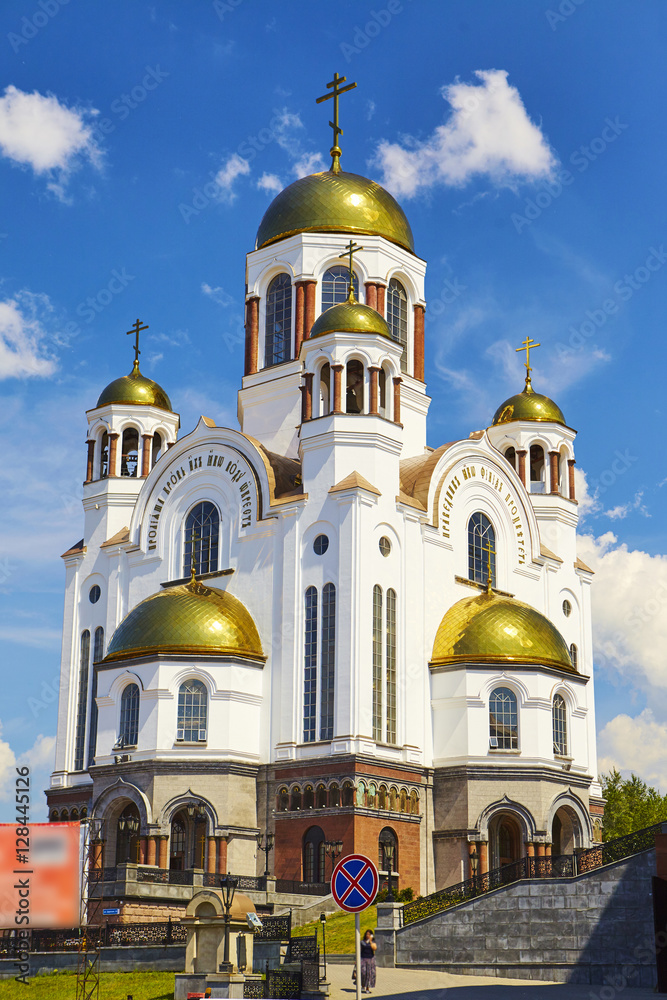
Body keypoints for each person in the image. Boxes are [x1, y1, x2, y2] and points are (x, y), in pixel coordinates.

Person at [360, 928, 377, 993]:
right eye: (367, 934)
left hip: (370, 959)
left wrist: (370, 941)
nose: (368, 935)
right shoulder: (362, 942)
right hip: (363, 959)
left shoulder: (373, 942)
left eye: (369, 934)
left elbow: (374, 948)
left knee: (369, 974)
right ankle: (362, 985)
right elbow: (359, 950)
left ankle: (367, 988)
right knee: (363, 973)